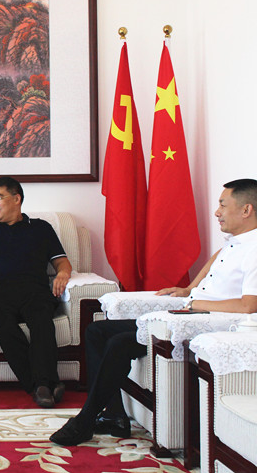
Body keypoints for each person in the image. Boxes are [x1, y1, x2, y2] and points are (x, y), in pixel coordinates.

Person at [51, 178, 257, 446]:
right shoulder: (234, 243)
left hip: (211, 325)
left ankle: (85, 420)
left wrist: (197, 304)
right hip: (189, 315)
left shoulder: (254, 249)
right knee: (97, 331)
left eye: (223, 205)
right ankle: (114, 415)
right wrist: (189, 289)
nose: (217, 212)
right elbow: (213, 262)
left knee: (119, 342)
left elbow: (249, 305)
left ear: (246, 210)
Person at [0, 176, 72, 407]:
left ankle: (42, 386)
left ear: (16, 199)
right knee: (6, 329)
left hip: (34, 292)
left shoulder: (41, 228)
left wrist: (63, 274)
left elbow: (62, 262)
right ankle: (43, 385)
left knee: (42, 324)